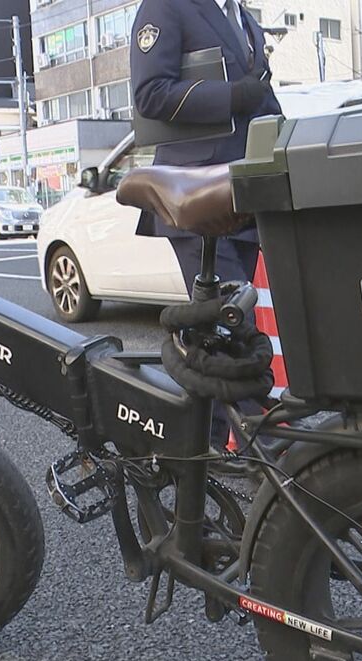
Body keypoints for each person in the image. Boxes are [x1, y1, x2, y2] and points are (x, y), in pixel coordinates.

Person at [130, 0, 282, 459]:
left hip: (244, 194)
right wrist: (231, 96)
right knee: (232, 328)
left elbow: (264, 101)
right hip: (195, 195)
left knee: (216, 334)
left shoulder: (246, 18)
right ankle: (269, 451)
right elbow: (150, 93)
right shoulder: (167, 7)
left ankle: (199, 454)